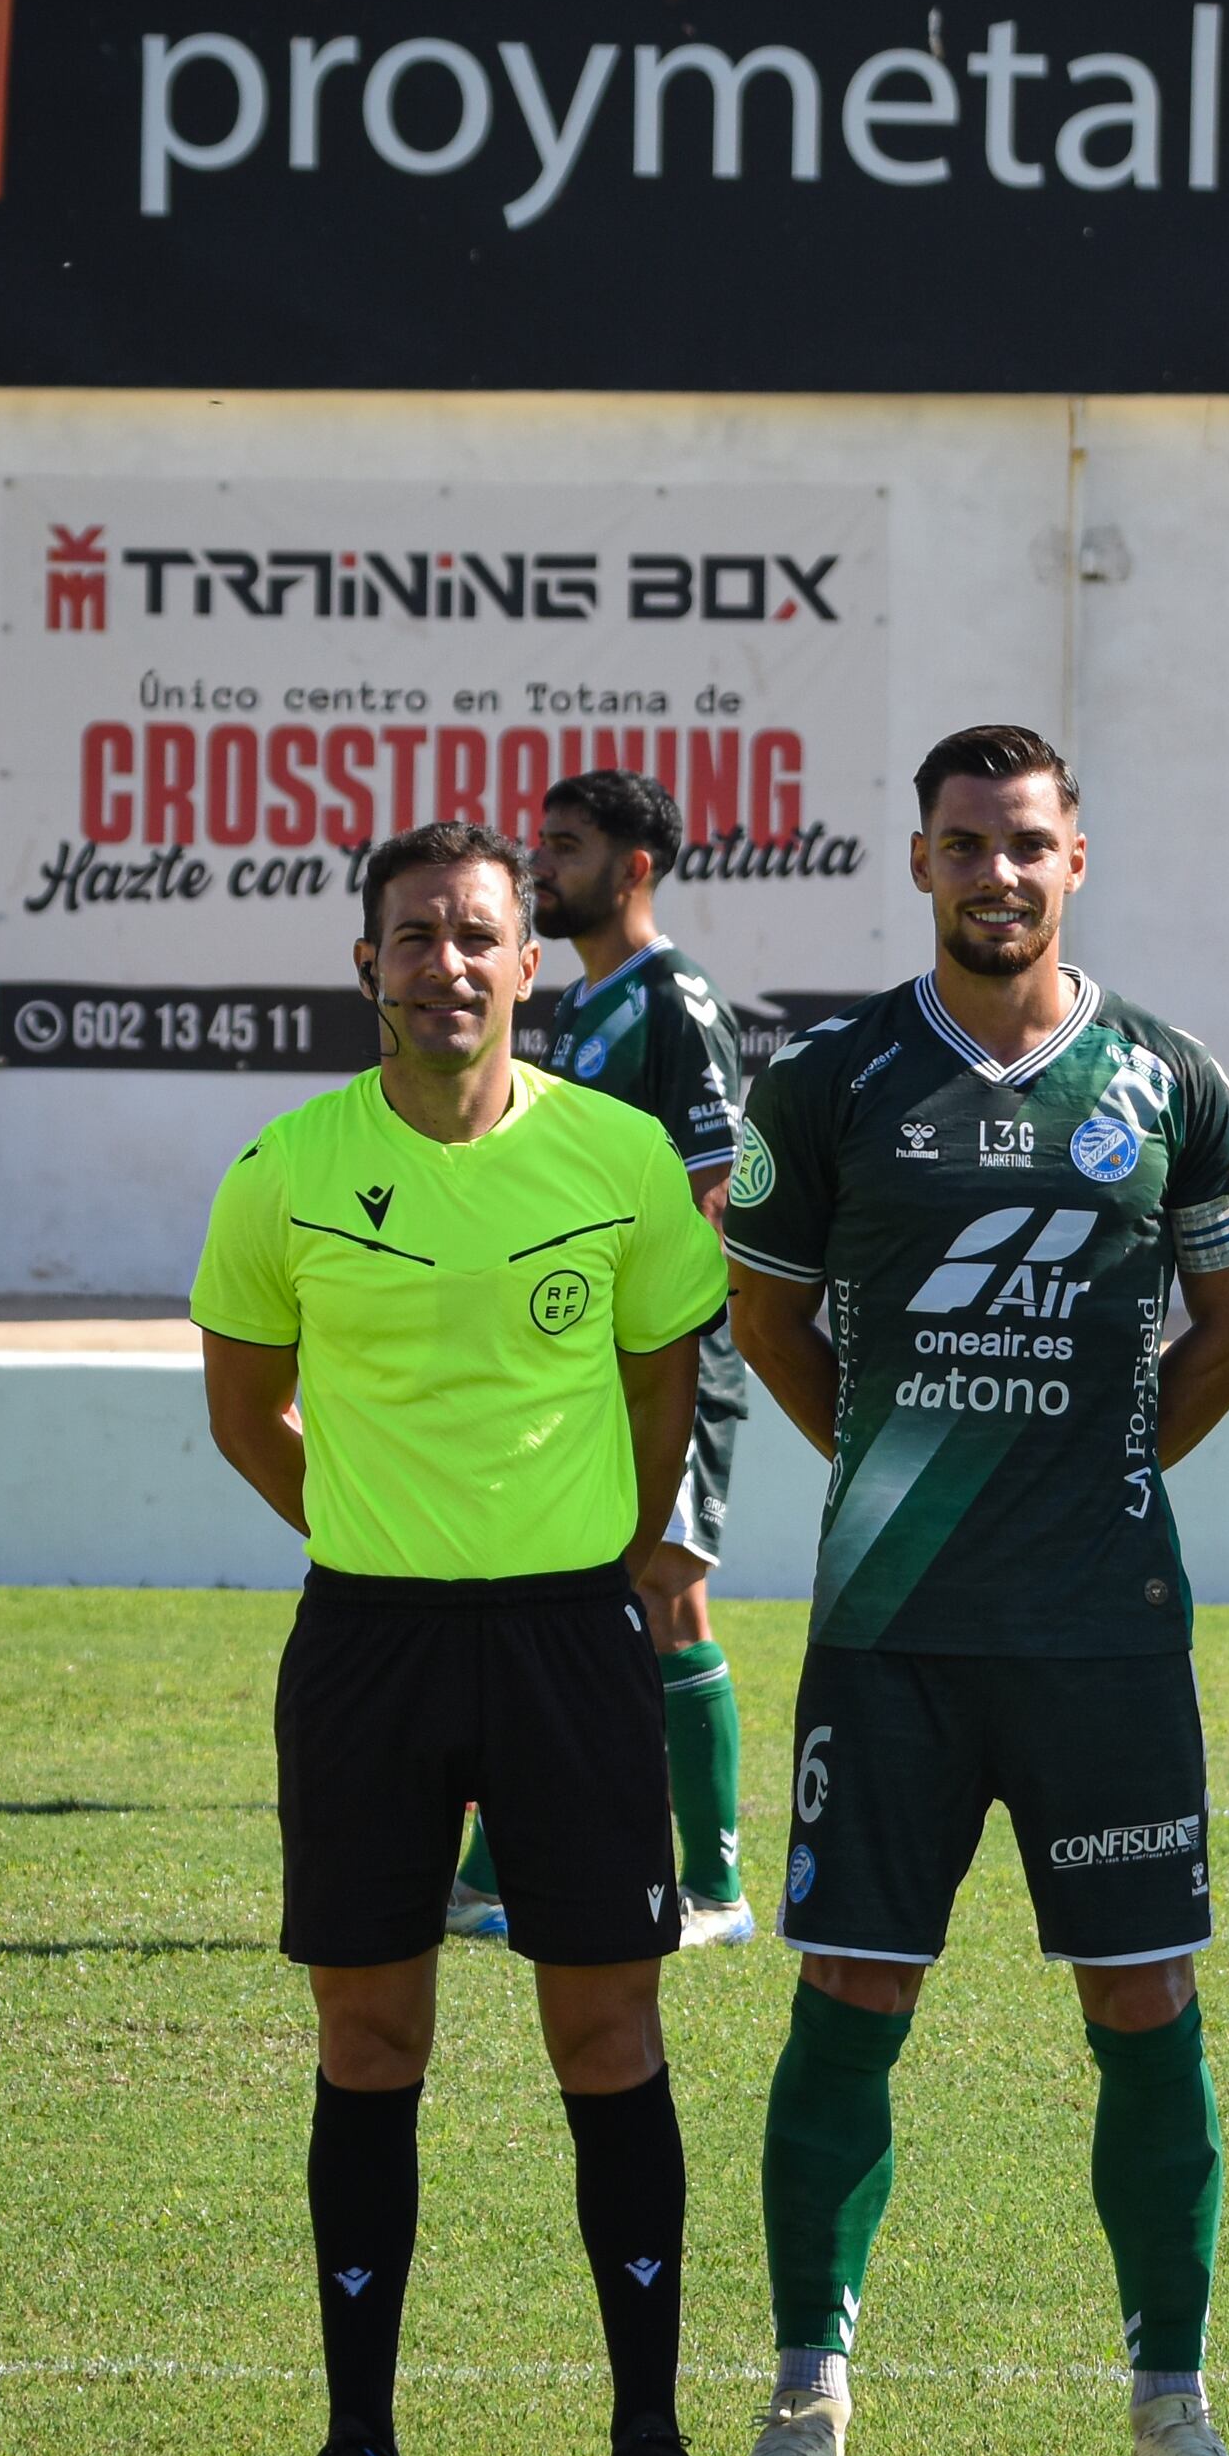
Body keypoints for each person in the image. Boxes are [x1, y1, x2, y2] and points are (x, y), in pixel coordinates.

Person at [711, 724, 1229, 2456]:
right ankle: (808, 2394)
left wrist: (1103, 1467)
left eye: (1026, 843)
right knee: (852, 1984)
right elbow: (773, 1324)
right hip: (890, 1629)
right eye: (965, 844)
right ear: (921, 864)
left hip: (1104, 1635)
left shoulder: (1170, 1076)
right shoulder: (828, 1079)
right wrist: (904, 1472)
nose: (997, 873)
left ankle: (1171, 2406)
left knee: (1144, 1994)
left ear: (1075, 861)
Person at [191, 818, 735, 2456]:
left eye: (477, 936)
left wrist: (591, 1548)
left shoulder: (624, 1159)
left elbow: (664, 1391)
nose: (447, 964)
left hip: (570, 1641)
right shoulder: (283, 1168)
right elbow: (243, 1407)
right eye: (415, 936)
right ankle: (360, 2440)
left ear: (526, 962)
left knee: (610, 2028)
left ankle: (648, 2444)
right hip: (366, 1642)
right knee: (369, 2035)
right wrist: (375, 1528)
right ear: (369, 966)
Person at [466, 761, 759, 1953]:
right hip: (571, 1356)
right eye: (541, 843)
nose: (543, 865)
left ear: (634, 867)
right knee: (557, 1595)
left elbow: (713, 1190)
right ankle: (487, 1873)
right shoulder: (581, 1005)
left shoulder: (675, 999)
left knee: (666, 1592)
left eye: (568, 846)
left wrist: (650, 1342)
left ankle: (717, 1894)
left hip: (659, 1356)